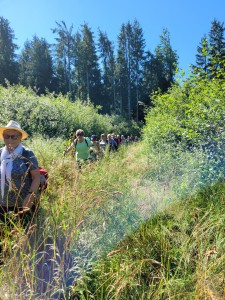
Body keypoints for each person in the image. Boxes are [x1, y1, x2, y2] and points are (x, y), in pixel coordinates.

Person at [0, 120, 40, 224]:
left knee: (23, 236)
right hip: (2, 204)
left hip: (23, 204)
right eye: (6, 136)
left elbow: (36, 177)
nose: (10, 139)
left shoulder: (27, 153)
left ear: (20, 137)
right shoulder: (0, 153)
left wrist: (30, 196)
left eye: (14, 136)